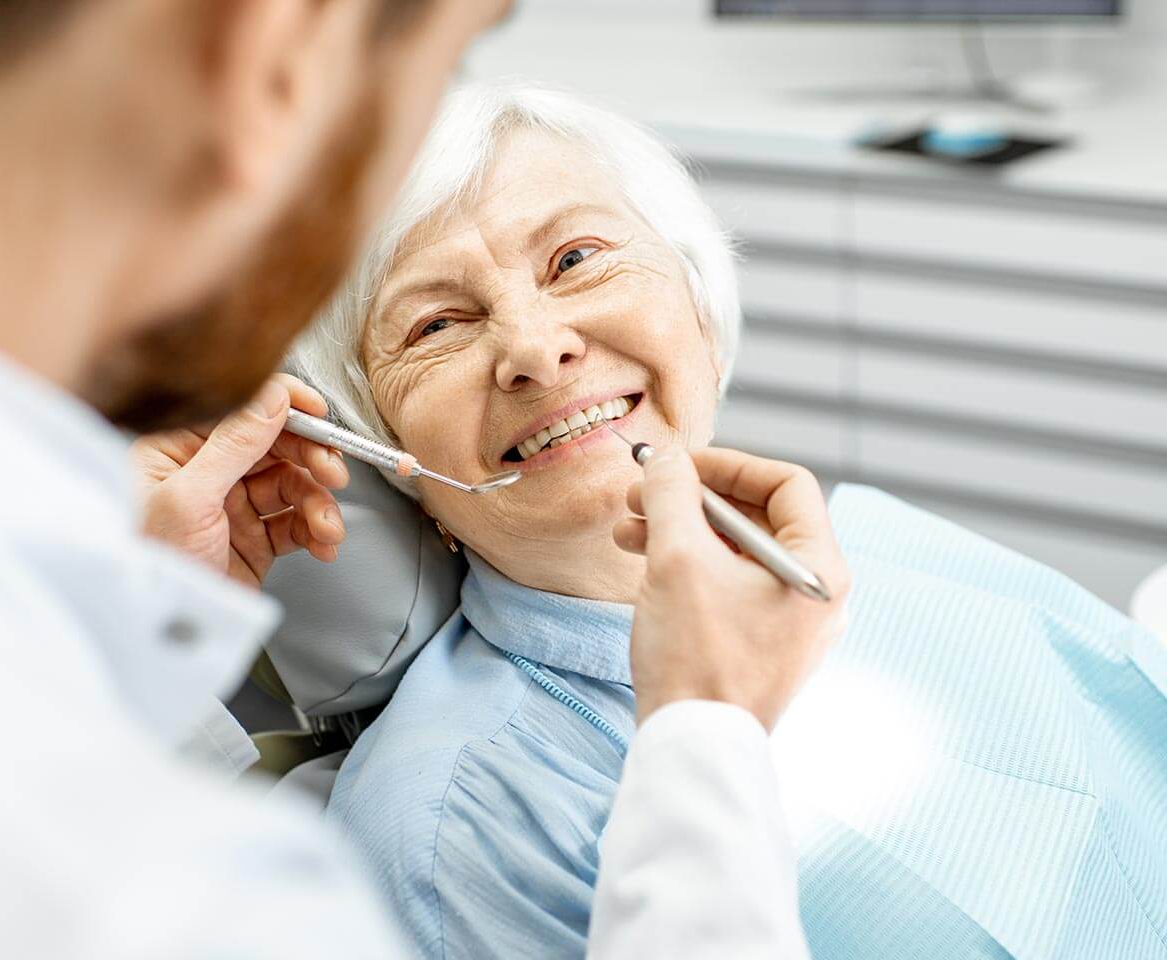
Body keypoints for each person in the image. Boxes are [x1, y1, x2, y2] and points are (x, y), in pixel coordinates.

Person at [0, 4, 846, 959]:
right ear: (276, 52)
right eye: (450, 54)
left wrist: (109, 633)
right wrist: (704, 741)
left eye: (578, 256)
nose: (533, 348)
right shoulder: (187, 897)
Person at [289, 80, 1167, 960]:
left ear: (699, 306)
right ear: (385, 449)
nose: (533, 347)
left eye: (575, 259)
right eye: (437, 323)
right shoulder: (452, 824)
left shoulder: (885, 541)